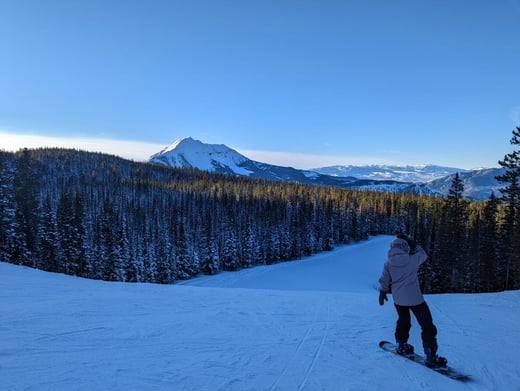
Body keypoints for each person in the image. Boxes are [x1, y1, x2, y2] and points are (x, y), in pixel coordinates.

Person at [378, 233, 447, 369]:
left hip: (399, 299)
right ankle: (430, 355)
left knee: (403, 322)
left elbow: (385, 279)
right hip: (415, 299)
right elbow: (423, 254)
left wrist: (382, 292)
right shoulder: (412, 260)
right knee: (427, 325)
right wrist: (412, 243)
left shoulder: (388, 263)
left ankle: (401, 345)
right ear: (404, 247)